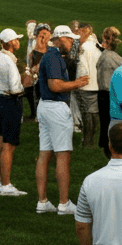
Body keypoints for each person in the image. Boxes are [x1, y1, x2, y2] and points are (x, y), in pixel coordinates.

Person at [35, 25, 90, 215]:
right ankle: (64, 203)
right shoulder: (53, 57)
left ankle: (43, 201)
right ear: (60, 39)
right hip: (55, 108)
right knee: (63, 155)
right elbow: (55, 85)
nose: (73, 42)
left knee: (45, 153)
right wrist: (78, 83)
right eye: (70, 39)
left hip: (45, 106)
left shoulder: (52, 56)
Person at [0, 28, 28, 197]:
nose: (18, 42)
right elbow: (15, 89)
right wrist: (28, 79)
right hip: (10, 103)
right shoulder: (8, 62)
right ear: (11, 43)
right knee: (9, 146)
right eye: (16, 40)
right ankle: (6, 184)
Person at [96, 27, 122, 154]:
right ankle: (112, 146)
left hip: (101, 92)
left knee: (104, 121)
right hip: (109, 93)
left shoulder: (103, 55)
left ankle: (106, 144)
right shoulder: (111, 56)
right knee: (110, 121)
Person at [74, 23, 102, 148]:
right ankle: (93, 141)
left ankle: (88, 141)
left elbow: (82, 67)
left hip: (86, 84)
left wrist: (78, 82)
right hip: (97, 84)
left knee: (87, 113)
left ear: (84, 31)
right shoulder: (98, 46)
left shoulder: (84, 47)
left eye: (79, 32)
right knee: (94, 113)